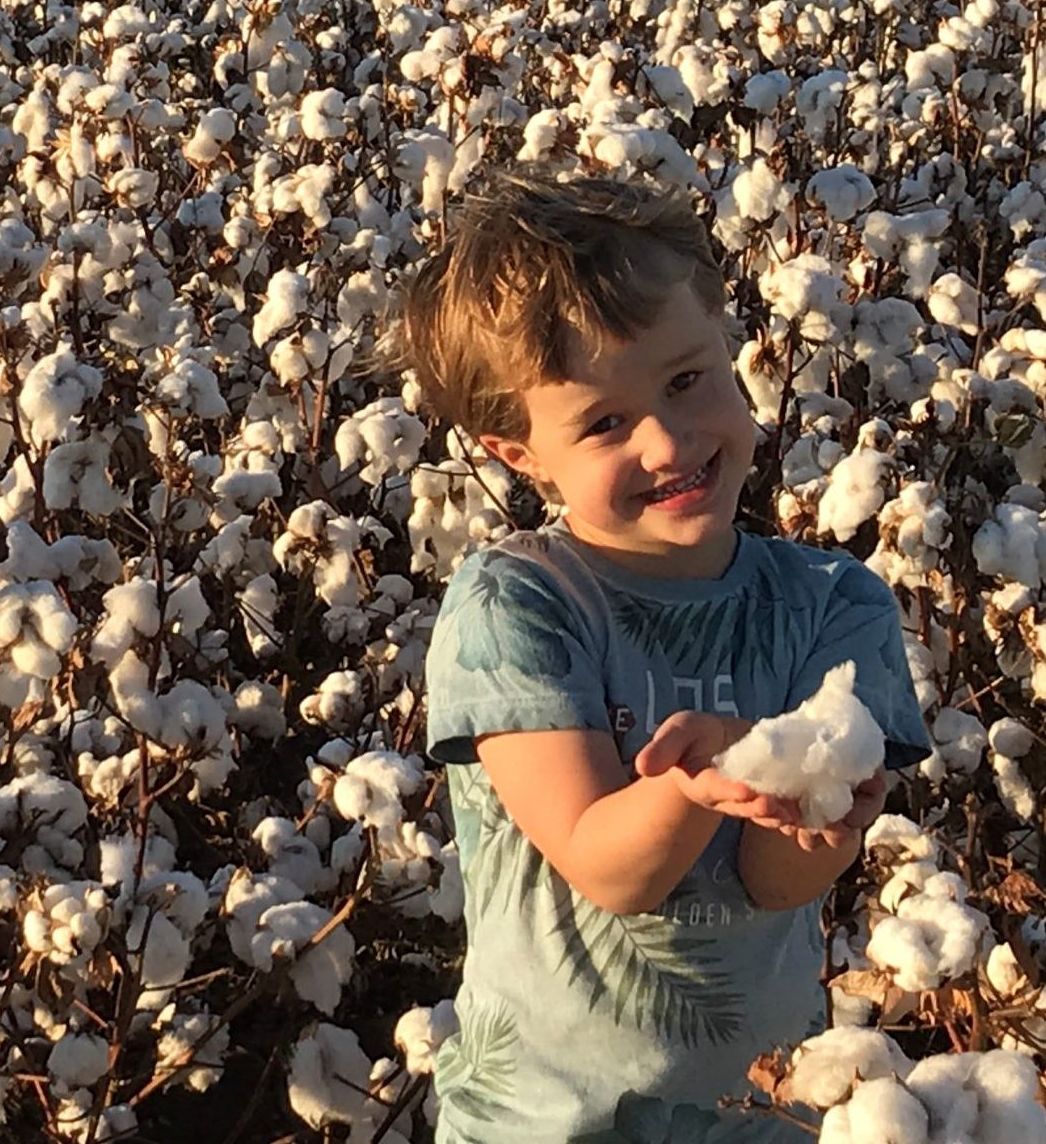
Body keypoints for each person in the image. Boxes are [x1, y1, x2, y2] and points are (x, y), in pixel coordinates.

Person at [397, 166, 930, 1143]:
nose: (667, 439)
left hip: (757, 1116)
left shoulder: (833, 604)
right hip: (540, 1125)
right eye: (602, 422)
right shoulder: (516, 604)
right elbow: (608, 863)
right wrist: (700, 783)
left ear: (729, 350)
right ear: (517, 452)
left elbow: (776, 881)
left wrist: (825, 815)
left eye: (687, 379)